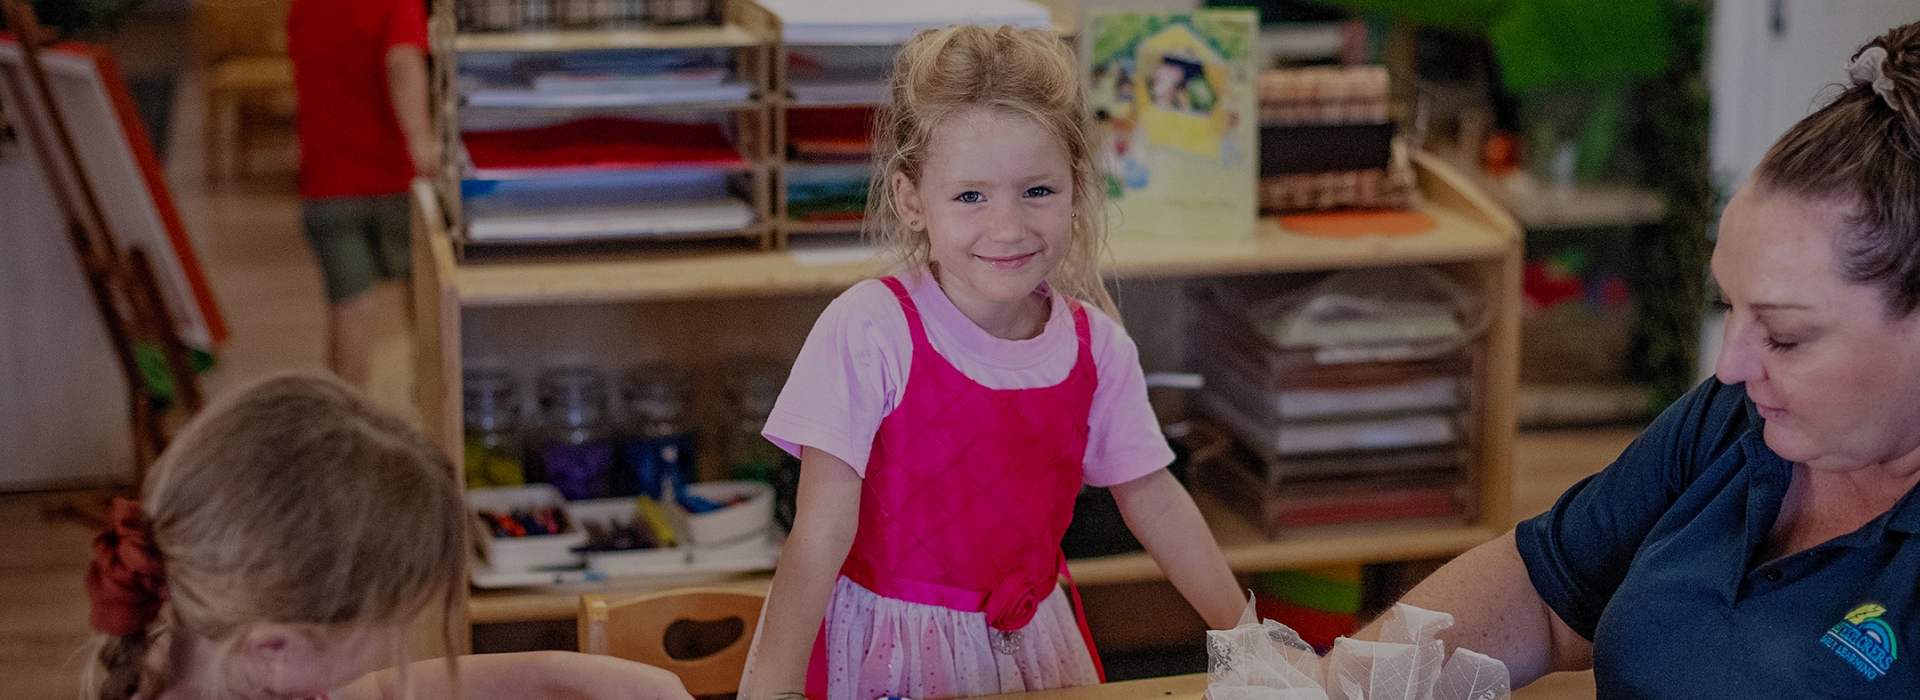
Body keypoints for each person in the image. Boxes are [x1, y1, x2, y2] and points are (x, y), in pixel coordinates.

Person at [1353, 21, 1920, 696]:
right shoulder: (1734, 422)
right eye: (1726, 306)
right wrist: (1335, 683)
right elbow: (1544, 591)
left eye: (1786, 336)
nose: (1732, 364)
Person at [737, 24, 1244, 700]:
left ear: (1076, 186)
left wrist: (1250, 638)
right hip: (881, 656)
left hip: (1031, 651)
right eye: (971, 195)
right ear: (911, 201)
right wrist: (769, 694)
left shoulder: (1098, 348)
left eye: (1037, 191)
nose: (1007, 227)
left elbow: (1155, 501)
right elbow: (820, 532)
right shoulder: (870, 328)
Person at [82, 373, 694, 700]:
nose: (396, 645)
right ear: (275, 647)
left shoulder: (214, 654)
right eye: (392, 626)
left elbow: (371, 691)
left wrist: (566, 675)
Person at [287, 0, 440, 385]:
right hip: (394, 180)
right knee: (424, 304)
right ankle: (433, 410)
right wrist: (421, 142)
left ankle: (344, 420)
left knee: (350, 309)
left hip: (327, 182)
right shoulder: (397, 2)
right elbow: (401, 63)